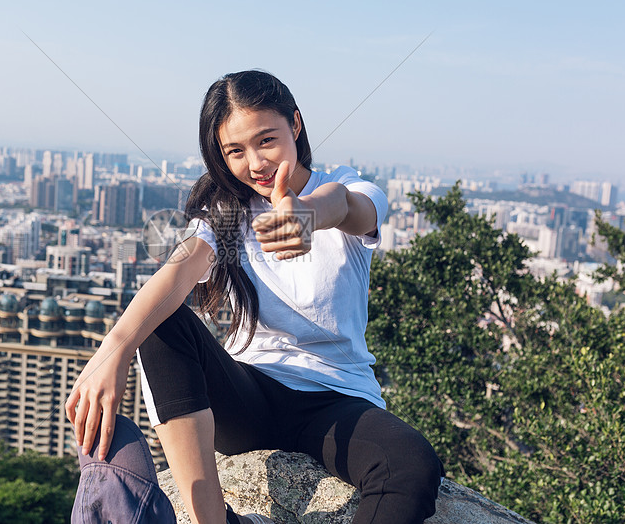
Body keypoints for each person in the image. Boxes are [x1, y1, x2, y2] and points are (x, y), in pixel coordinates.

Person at [66, 70, 444, 524]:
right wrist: (114, 350)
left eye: (267, 140)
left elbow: (345, 205)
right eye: (235, 151)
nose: (256, 163)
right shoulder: (226, 214)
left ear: (296, 125)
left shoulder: (347, 186)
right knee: (161, 325)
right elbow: (177, 272)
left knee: (411, 464)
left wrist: (304, 214)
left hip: (334, 398)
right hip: (248, 395)